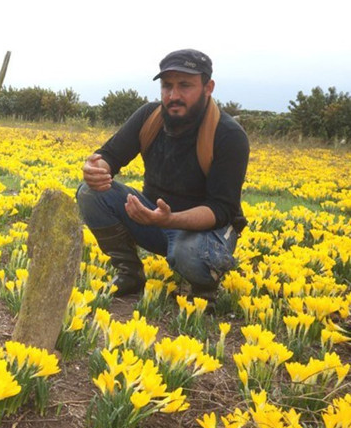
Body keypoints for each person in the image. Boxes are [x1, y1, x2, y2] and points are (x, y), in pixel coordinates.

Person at [76, 49, 249, 304]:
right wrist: (96, 169)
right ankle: (129, 273)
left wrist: (170, 219)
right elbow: (110, 155)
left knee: (188, 253)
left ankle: (203, 288)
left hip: (207, 231)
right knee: (90, 193)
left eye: (185, 86)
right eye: (167, 86)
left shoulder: (228, 135)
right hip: (154, 218)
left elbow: (221, 210)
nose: (173, 95)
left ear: (208, 87)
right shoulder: (150, 117)